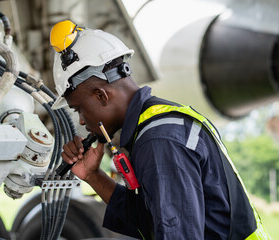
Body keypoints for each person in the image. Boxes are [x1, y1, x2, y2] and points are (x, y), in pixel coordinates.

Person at [49, 20, 270, 240]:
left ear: (101, 96)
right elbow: (152, 223)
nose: (80, 121)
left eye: (79, 109)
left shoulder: (160, 140)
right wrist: (92, 175)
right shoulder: (156, 125)